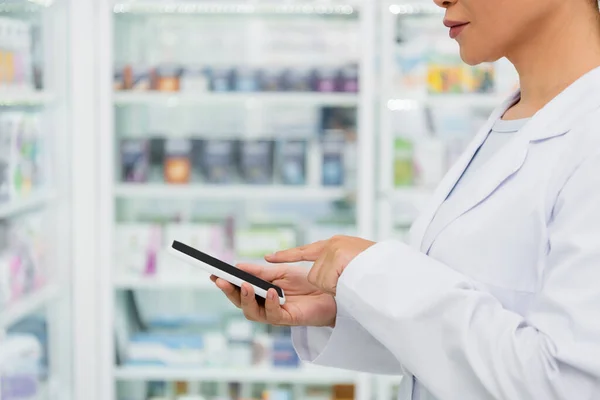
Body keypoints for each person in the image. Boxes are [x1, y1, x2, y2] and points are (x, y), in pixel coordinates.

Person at [212, 0, 600, 398]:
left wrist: (379, 275)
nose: (439, 0)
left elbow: (569, 384)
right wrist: (347, 306)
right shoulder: (514, 119)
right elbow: (480, 341)